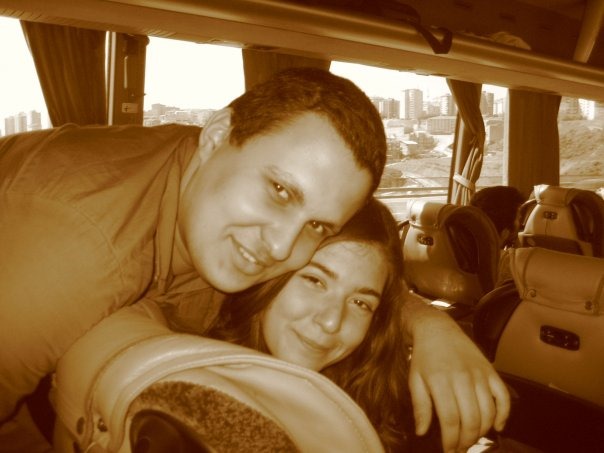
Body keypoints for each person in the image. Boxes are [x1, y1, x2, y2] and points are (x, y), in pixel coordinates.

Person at [0, 67, 508, 452]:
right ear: (217, 135)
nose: (283, 249)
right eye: (281, 191)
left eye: (317, 226)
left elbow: (352, 270)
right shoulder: (74, 248)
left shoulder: (212, 204)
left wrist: (428, 323)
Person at [206, 198, 420, 451]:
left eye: (360, 303)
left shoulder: (374, 405)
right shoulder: (195, 391)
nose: (331, 322)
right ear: (271, 276)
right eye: (315, 281)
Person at [470, 185, 526, 285]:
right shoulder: (510, 265)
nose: (521, 224)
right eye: (518, 218)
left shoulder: (463, 252)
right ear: (505, 231)